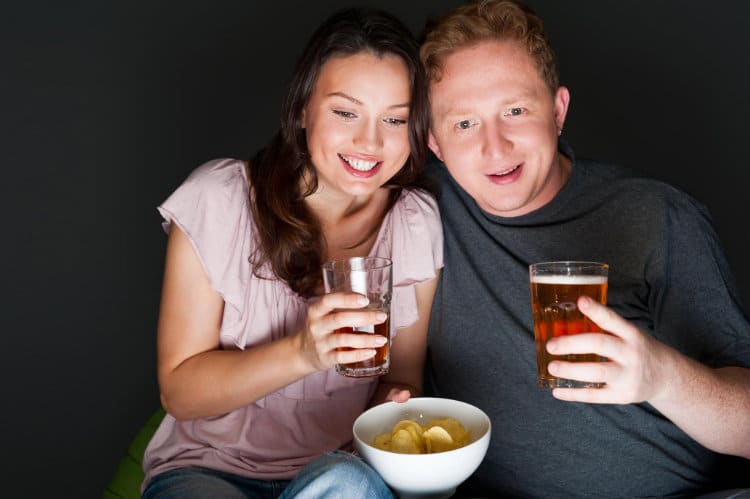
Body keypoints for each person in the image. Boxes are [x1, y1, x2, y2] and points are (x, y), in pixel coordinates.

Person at [419, 1, 750, 497]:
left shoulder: (658, 217)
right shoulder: (421, 215)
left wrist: (662, 377)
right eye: (464, 124)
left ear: (557, 111)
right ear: (435, 144)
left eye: (515, 110)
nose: (496, 146)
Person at [140, 7, 443, 499]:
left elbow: (401, 377)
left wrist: (397, 404)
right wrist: (303, 353)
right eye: (345, 112)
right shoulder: (220, 199)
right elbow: (179, 391)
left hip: (337, 470)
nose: (370, 142)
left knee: (348, 483)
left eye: (395, 119)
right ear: (303, 108)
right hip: (207, 470)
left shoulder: (413, 221)